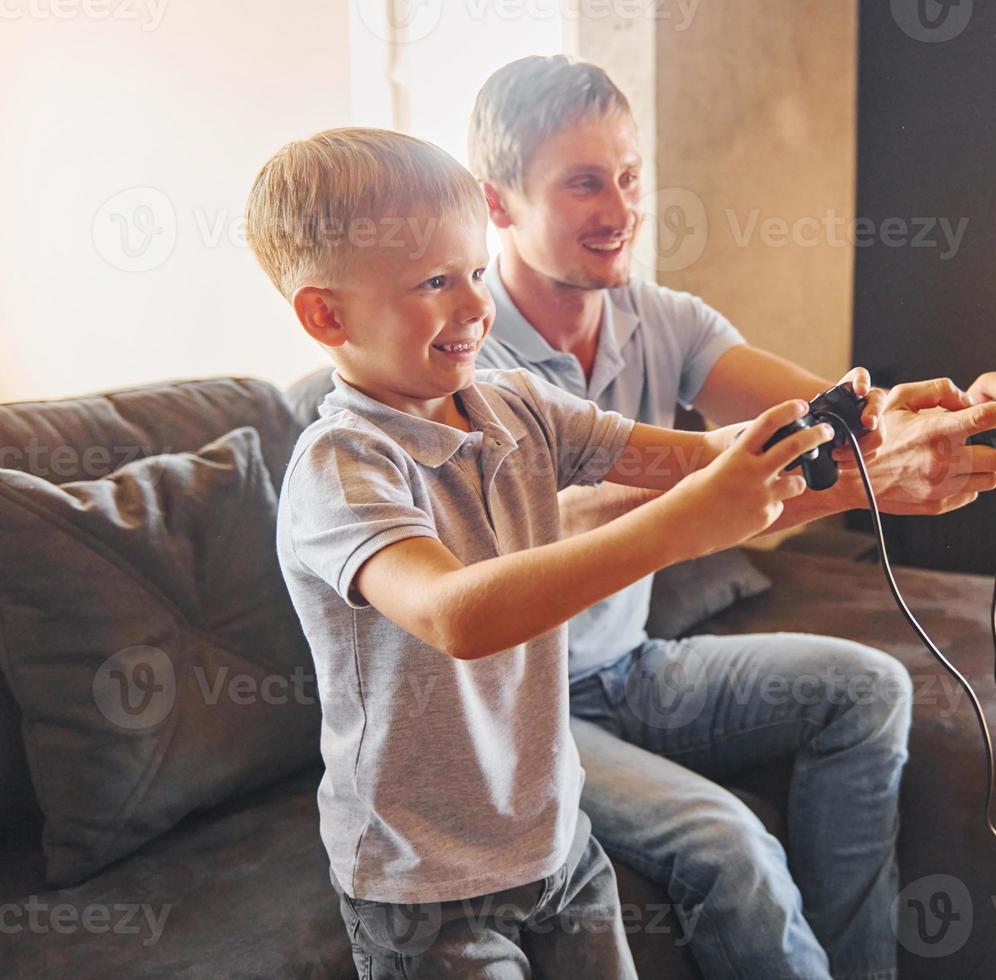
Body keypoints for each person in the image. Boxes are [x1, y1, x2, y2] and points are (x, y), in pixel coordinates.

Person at [468, 55, 996, 980]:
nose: (621, 207)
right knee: (729, 844)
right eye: (585, 183)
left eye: (631, 175)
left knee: (868, 688)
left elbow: (834, 414)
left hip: (629, 667)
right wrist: (727, 486)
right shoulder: (459, 357)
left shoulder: (660, 320)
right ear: (501, 203)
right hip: (519, 709)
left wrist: (962, 411)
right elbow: (544, 525)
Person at [246, 126, 879, 977]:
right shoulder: (341, 466)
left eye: (475, 272)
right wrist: (683, 524)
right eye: (435, 282)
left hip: (555, 841)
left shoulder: (516, 404)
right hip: (422, 888)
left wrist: (832, 432)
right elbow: (454, 613)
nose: (476, 307)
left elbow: (688, 461)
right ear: (327, 314)